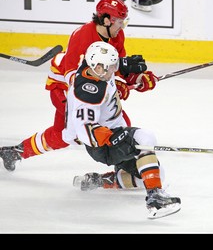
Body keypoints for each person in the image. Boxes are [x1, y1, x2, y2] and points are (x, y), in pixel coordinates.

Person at [0, 0, 158, 172]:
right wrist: (115, 86)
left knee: (116, 122)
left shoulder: (117, 35)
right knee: (68, 135)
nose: (122, 26)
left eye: (123, 21)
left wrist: (137, 79)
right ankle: (17, 152)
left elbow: (114, 66)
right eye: (119, 21)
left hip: (91, 85)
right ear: (106, 20)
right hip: (64, 88)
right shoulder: (82, 36)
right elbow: (75, 80)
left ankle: (14, 153)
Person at [63, 41, 181, 219]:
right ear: (98, 67)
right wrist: (110, 137)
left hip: (115, 133)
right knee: (145, 138)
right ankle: (155, 198)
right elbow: (85, 132)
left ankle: (99, 180)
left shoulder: (97, 70)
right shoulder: (88, 92)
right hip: (103, 145)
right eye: (110, 68)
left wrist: (136, 79)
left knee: (153, 174)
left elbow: (117, 73)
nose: (113, 70)